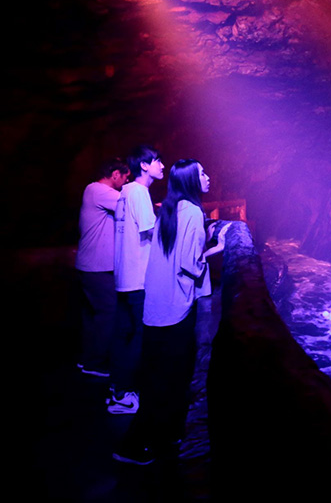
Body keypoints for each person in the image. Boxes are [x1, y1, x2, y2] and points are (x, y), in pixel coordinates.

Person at [113, 159, 228, 465]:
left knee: (158, 377)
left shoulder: (170, 209)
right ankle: (132, 447)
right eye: (202, 173)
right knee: (170, 380)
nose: (207, 177)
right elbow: (190, 264)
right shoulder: (192, 212)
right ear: (191, 180)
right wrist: (216, 248)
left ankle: (163, 438)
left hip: (156, 307)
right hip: (176, 308)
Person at [108, 145, 164, 414]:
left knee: (123, 335)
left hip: (123, 277)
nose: (162, 166)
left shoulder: (125, 191)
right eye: (158, 161)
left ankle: (117, 390)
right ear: (144, 165)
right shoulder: (140, 192)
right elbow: (151, 231)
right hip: (139, 277)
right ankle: (125, 394)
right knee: (140, 336)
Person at [74, 157, 130, 377]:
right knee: (108, 312)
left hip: (90, 266)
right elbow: (131, 205)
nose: (126, 182)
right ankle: (95, 364)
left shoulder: (93, 191)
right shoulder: (99, 191)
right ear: (115, 174)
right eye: (125, 177)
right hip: (97, 268)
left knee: (93, 315)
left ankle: (86, 359)